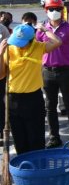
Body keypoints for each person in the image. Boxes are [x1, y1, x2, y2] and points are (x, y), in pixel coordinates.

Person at [0, 24, 61, 153]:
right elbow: (1, 74)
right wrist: (0, 54)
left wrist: (45, 30)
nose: (19, 45)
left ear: (31, 40)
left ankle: (37, 169)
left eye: (22, 42)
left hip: (33, 98)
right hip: (13, 99)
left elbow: (57, 42)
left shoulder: (38, 47)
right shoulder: (8, 49)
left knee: (36, 138)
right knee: (19, 139)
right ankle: (24, 170)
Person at [37, 0, 69, 148]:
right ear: (46, 10)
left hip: (67, 71)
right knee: (50, 106)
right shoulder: (41, 30)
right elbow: (36, 52)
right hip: (47, 71)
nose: (54, 11)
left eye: (57, 9)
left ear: (63, 11)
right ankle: (54, 137)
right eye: (51, 9)